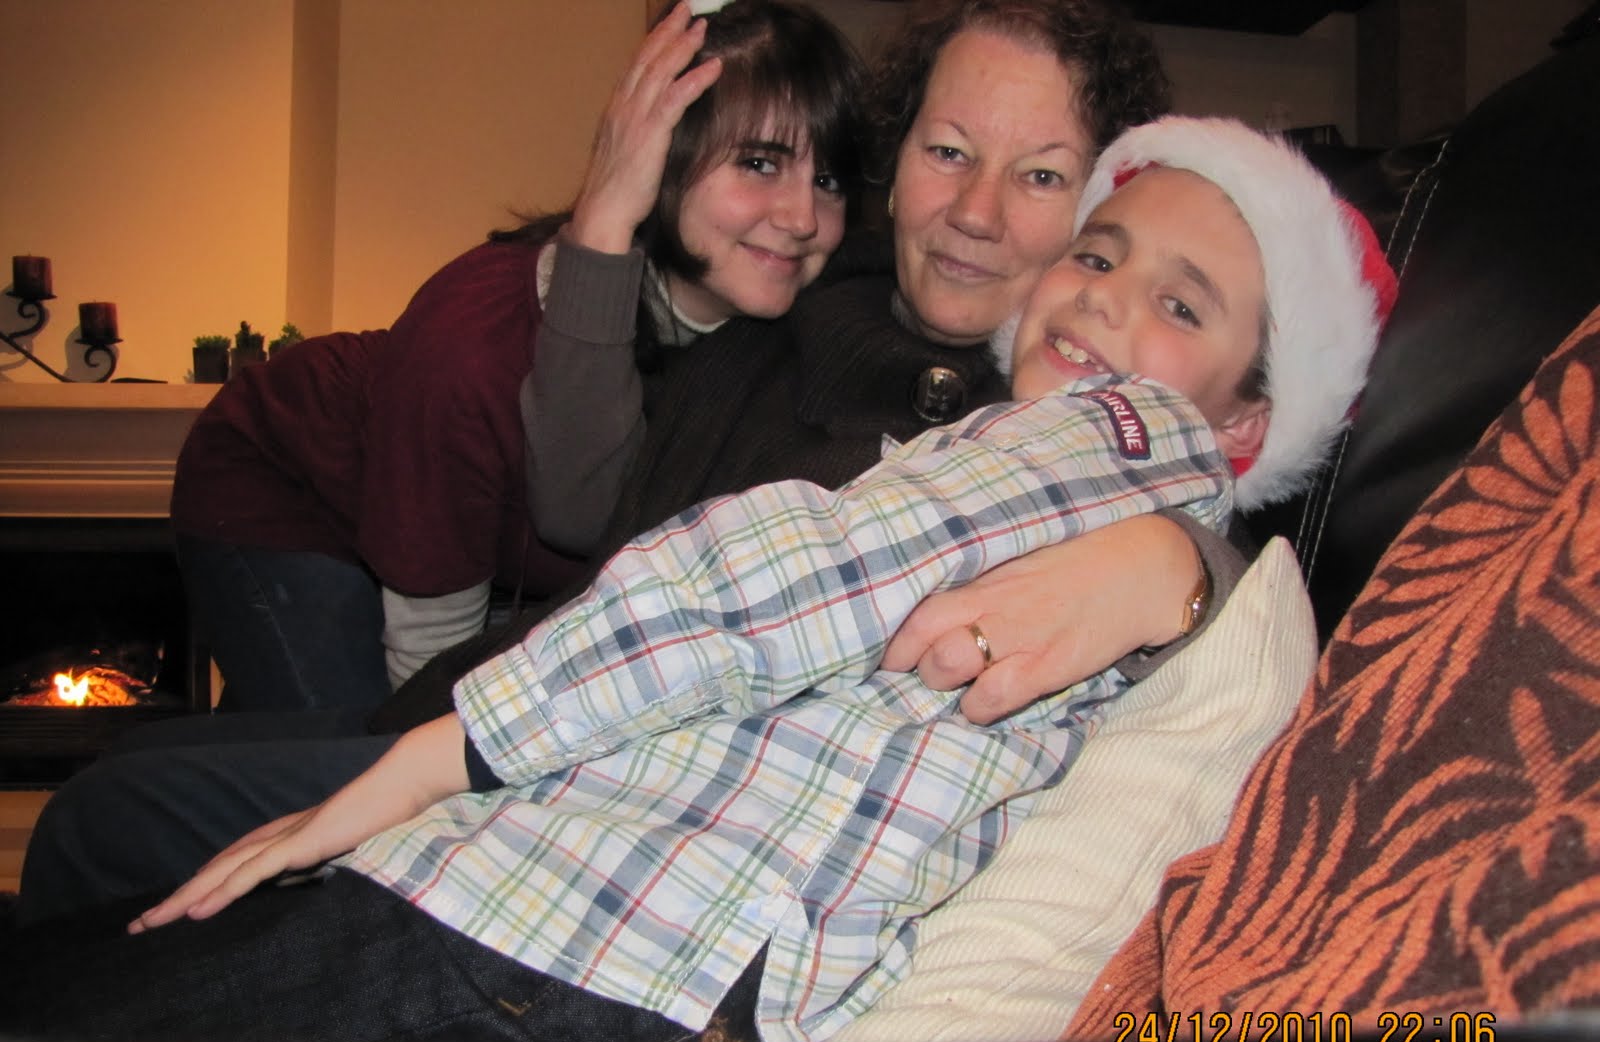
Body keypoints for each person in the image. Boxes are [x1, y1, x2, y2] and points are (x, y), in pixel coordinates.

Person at [1, 117, 1398, 1042]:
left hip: (587, 918)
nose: (1102, 296)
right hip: (637, 930)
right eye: (1099, 253)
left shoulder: (1110, 434)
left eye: (1179, 303)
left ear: (1248, 426)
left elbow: (781, 580)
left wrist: (441, 759)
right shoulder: (858, 346)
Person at [14, 0, 1208, 923]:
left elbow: (1200, 481)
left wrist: (1182, 560)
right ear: (895, 168)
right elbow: (584, 502)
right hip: (456, 663)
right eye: (947, 152)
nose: (977, 213)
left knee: (110, 817)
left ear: (1102, 203)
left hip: (570, 784)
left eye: (1041, 175)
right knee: (140, 756)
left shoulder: (1049, 413)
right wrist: (606, 217)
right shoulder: (795, 298)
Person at [168, 0, 861, 711]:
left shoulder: (766, 334)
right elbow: (431, 663)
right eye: (758, 163)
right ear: (661, 164)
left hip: (457, 544)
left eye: (828, 180)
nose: (802, 217)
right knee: (346, 746)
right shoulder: (473, 342)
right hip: (284, 483)